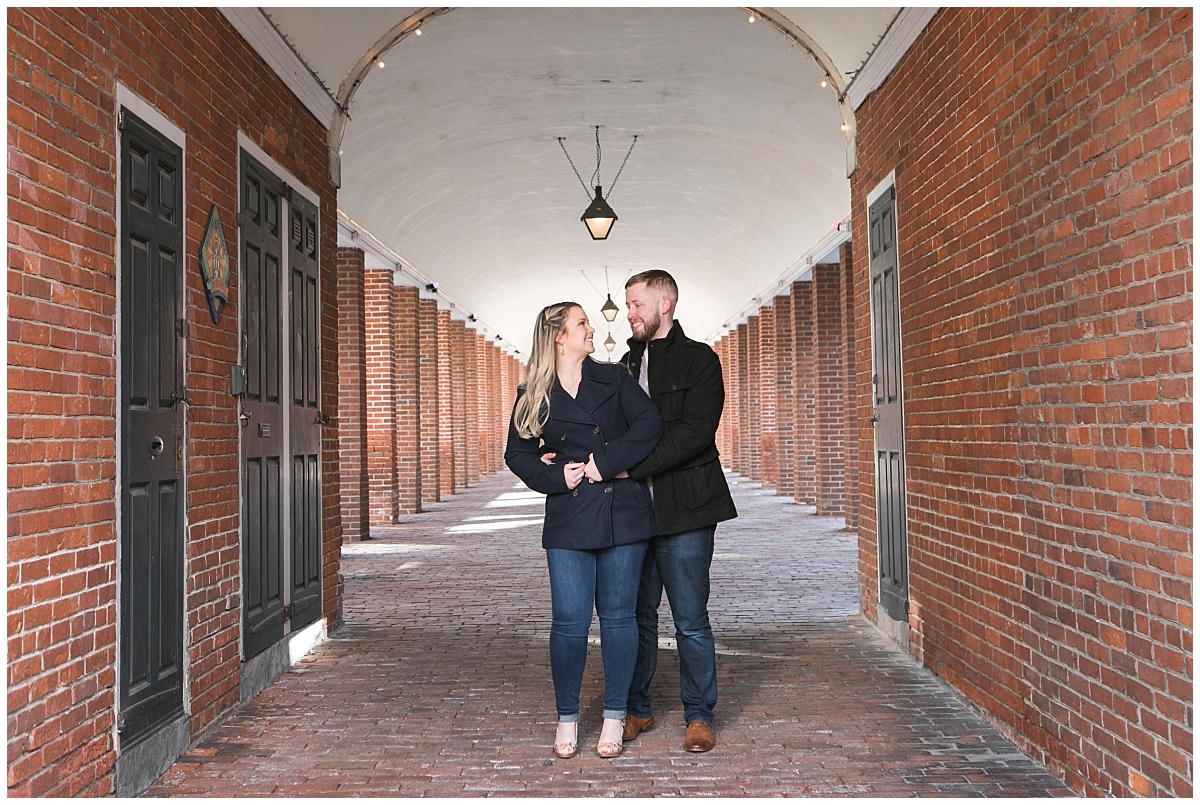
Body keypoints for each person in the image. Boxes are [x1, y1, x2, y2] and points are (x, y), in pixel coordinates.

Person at [504, 302, 663, 760]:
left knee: (618, 618)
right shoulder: (534, 390)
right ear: (558, 335)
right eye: (581, 323)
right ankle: (567, 717)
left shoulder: (613, 378)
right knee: (569, 623)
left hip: (622, 513)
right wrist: (558, 477)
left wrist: (602, 464)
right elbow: (517, 454)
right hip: (569, 516)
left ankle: (615, 716)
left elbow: (650, 424)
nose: (592, 328)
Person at [619, 269, 737, 753]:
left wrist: (631, 467)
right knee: (637, 614)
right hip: (634, 514)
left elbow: (695, 434)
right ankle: (638, 709)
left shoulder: (700, 361)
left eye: (637, 304)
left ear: (665, 303)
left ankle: (699, 714)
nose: (630, 314)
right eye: (628, 306)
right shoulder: (624, 365)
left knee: (690, 618)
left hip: (686, 508)